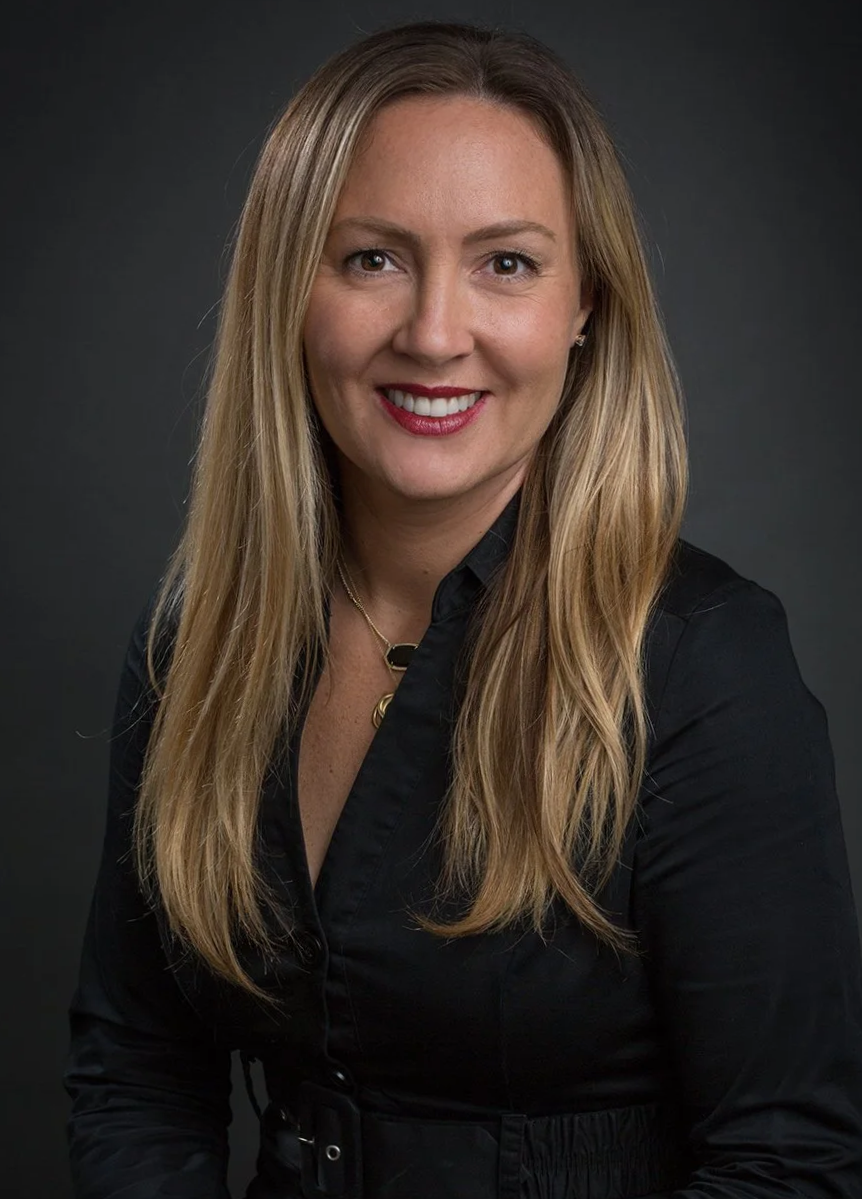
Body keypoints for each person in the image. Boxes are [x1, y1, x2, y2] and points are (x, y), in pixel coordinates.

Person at [64, 19, 862, 1199]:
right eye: (370, 258)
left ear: (585, 304)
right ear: (288, 291)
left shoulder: (702, 666)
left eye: (507, 264)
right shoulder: (196, 643)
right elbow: (136, 1071)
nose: (435, 333)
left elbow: (786, 1165)